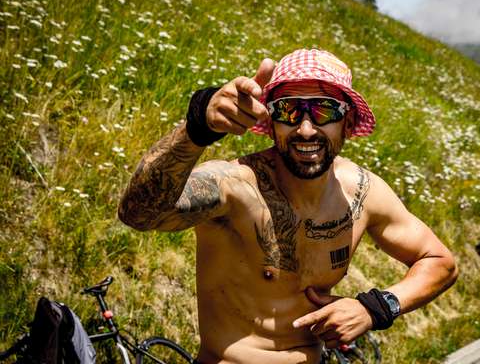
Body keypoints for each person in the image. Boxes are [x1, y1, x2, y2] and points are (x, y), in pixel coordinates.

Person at [118, 49, 458, 364]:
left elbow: (440, 262)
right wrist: (196, 128)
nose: (306, 129)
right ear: (272, 122)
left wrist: (376, 308)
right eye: (288, 111)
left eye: (325, 110)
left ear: (348, 122)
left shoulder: (363, 192)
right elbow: (139, 213)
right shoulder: (236, 186)